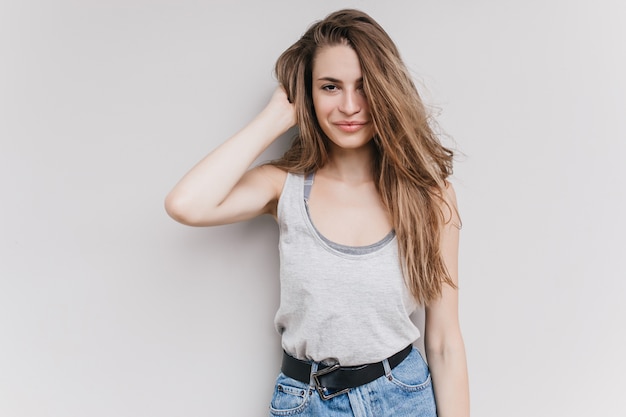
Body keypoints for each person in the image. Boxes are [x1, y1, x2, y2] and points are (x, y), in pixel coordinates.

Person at [165, 8, 469, 417]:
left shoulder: (430, 196)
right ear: (307, 93)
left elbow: (445, 341)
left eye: (364, 87)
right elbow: (186, 204)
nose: (349, 105)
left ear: (386, 90)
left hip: (402, 398)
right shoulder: (283, 186)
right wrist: (275, 116)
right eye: (330, 87)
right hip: (306, 404)